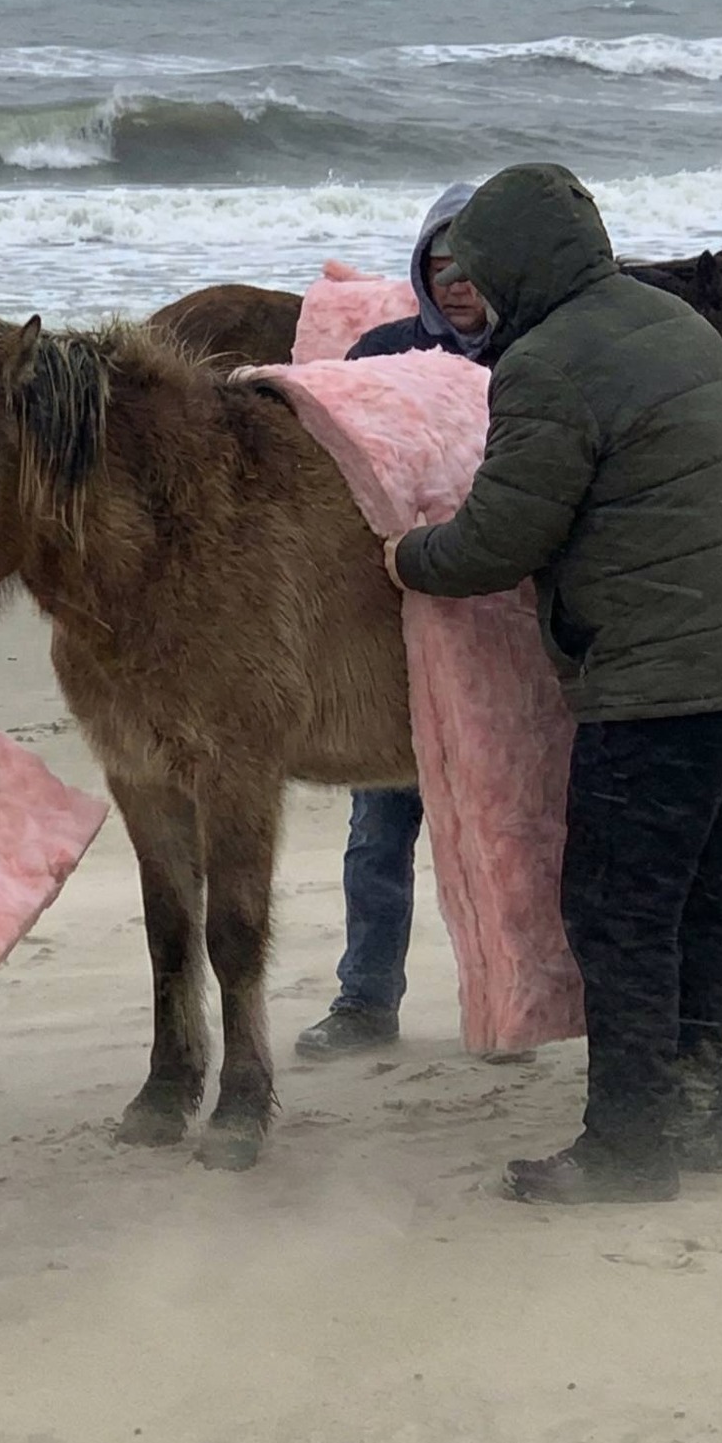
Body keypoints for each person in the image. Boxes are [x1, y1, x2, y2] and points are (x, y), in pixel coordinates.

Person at [385, 163, 722, 1204]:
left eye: (478, 272)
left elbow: (500, 538)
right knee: (705, 893)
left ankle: (627, 1145)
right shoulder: (670, 326)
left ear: (519, 264)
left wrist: (408, 555)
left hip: (660, 679)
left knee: (619, 908)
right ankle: (701, 1114)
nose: (471, 292)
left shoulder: (546, 363)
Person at [296, 182, 500, 1060]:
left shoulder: (530, 355)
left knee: (496, 832)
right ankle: (364, 1003)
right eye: (437, 264)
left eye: (472, 265)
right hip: (389, 636)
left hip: (497, 634)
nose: (454, 282)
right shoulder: (380, 351)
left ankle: (506, 1001)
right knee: (378, 828)